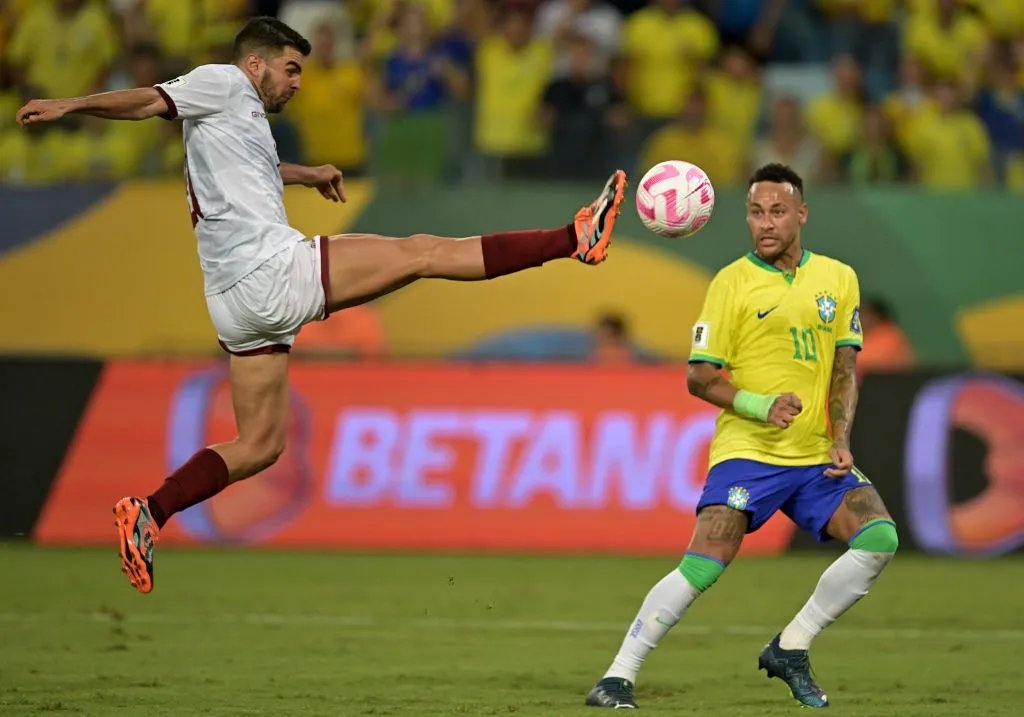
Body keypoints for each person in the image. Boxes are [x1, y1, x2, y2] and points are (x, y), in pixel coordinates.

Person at [15, 16, 627, 595]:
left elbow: (247, 168)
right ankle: (574, 239)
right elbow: (147, 101)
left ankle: (149, 511)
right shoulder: (222, 81)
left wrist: (303, 173)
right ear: (254, 63)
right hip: (270, 269)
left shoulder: (236, 112)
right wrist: (71, 106)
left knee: (259, 445)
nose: (297, 81)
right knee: (422, 252)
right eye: (289, 68)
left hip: (232, 300)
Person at [585, 163, 898, 710]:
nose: (766, 223)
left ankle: (791, 646)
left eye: (778, 211)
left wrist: (841, 437)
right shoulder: (731, 282)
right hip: (749, 451)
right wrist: (760, 404)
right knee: (706, 561)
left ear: (802, 213)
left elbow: (845, 367)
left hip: (814, 454)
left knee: (879, 539)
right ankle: (617, 676)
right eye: (756, 212)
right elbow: (699, 377)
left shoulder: (839, 278)